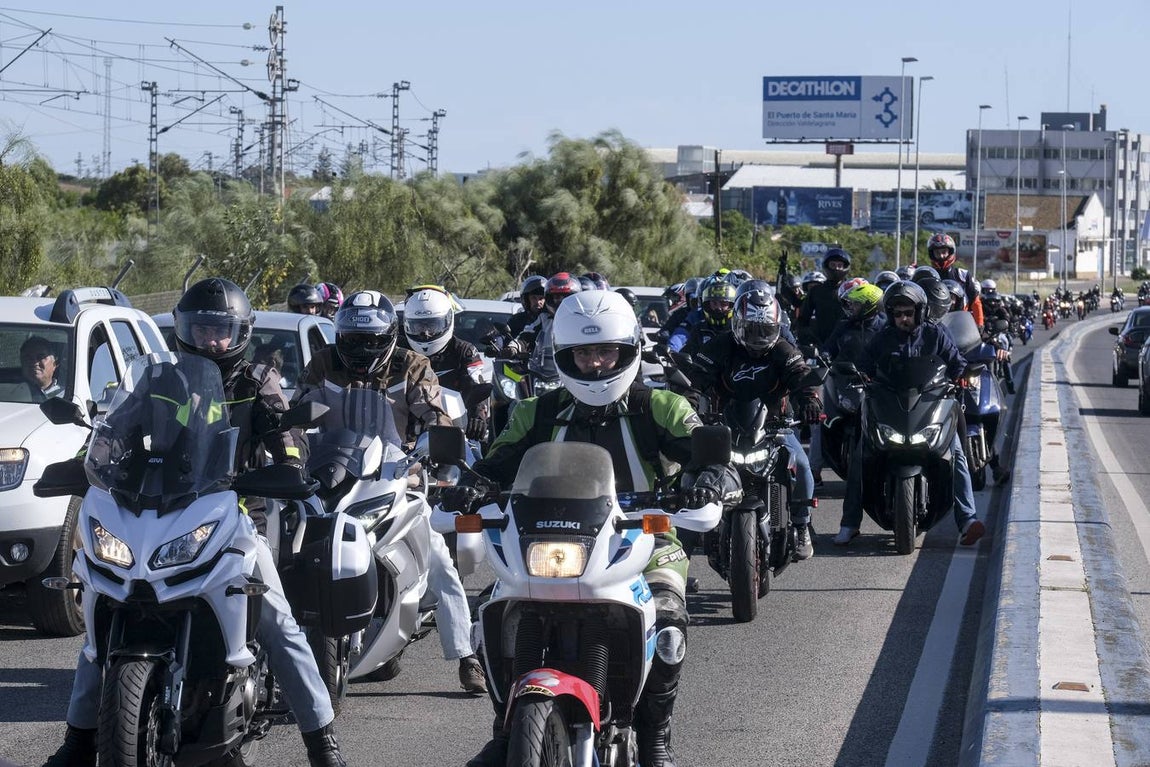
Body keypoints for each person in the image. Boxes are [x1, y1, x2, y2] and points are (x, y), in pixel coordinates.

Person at [42, 278, 347, 767]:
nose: (211, 340)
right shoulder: (159, 379)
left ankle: (322, 743)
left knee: (278, 624)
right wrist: (88, 459)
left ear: (240, 332)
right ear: (183, 328)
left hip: (239, 509)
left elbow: (288, 431)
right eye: (201, 329)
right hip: (159, 508)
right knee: (101, 622)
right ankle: (78, 741)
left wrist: (288, 463)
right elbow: (118, 428)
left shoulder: (256, 381)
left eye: (221, 331)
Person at [453, 290, 739, 767]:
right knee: (491, 614)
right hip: (544, 539)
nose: (597, 364)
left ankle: (654, 737)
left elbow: (710, 456)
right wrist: (467, 486)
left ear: (628, 351)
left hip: (646, 537)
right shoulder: (536, 412)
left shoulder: (660, 406)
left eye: (607, 351)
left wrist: (711, 479)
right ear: (566, 356)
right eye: (584, 353)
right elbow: (495, 464)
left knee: (668, 622)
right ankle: (506, 729)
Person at [294, 289, 487, 693]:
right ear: (340, 336)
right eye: (353, 339)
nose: (362, 348)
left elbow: (437, 414)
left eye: (371, 340)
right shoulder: (324, 362)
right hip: (330, 474)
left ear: (389, 336)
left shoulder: (412, 365)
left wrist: (436, 442)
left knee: (440, 562)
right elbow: (300, 410)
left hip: (398, 473)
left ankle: (466, 656)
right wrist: (291, 440)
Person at [832, 281, 986, 547]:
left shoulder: (935, 334)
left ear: (921, 311)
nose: (903, 318)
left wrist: (964, 376)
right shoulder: (882, 336)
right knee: (860, 455)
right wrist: (859, 374)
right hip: (891, 407)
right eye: (897, 313)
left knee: (957, 454)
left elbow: (956, 363)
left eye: (908, 312)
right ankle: (849, 523)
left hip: (930, 406)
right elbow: (864, 364)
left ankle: (968, 520)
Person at [690, 280, 822, 560]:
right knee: (690, 470)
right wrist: (689, 398)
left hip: (775, 426)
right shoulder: (719, 346)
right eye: (752, 330)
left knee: (802, 464)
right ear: (738, 324)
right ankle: (688, 534)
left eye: (766, 330)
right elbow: (697, 377)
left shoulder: (783, 349)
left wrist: (810, 399)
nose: (759, 338)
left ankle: (801, 524)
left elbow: (800, 374)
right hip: (724, 425)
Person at [400, 285, 493, 442]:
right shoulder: (400, 351)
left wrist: (478, 416)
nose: (425, 333)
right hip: (403, 432)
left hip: (454, 430)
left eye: (432, 325)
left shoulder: (464, 351)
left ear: (448, 321)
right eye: (418, 326)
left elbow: (476, 384)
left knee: (476, 460)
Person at [795, 248, 851, 348]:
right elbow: (803, 320)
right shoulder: (816, 291)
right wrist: (808, 341)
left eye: (839, 265)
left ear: (845, 267)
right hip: (821, 346)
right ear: (826, 266)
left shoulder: (852, 289)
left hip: (847, 346)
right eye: (833, 265)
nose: (836, 268)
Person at [926, 233, 984, 328]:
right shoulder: (928, 275)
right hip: (934, 325)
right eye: (937, 252)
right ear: (932, 254)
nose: (941, 256)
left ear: (950, 252)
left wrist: (980, 324)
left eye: (944, 251)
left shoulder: (963, 275)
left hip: (961, 325)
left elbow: (975, 301)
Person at [18, 336, 64, 401]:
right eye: (28, 358)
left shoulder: (67, 397)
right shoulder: (6, 393)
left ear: (55, 364)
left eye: (41, 357)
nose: (34, 362)